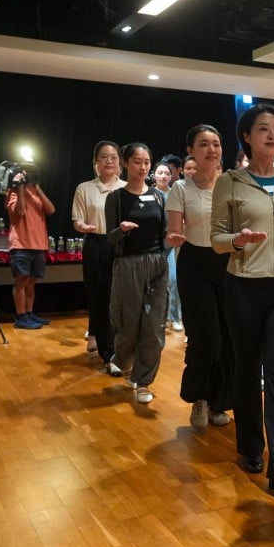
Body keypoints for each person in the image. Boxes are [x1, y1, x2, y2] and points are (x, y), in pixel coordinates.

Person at [211, 103, 274, 503]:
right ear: (246, 137)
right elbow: (216, 239)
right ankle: (250, 445)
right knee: (247, 369)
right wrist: (238, 240)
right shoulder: (229, 182)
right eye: (262, 128)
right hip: (244, 286)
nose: (272, 134)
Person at [166, 124, 233, 430]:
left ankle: (220, 400)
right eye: (203, 144)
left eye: (216, 144)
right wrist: (174, 237)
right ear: (190, 151)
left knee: (227, 337)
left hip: (229, 264)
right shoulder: (181, 188)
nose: (211, 150)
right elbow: (173, 232)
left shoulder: (232, 184)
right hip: (195, 263)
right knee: (205, 336)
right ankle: (199, 398)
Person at [105, 143, 168, 403]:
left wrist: (172, 240)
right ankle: (121, 359)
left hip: (157, 262)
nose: (143, 167)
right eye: (137, 162)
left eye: (146, 162)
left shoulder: (157, 196)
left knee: (154, 327)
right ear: (125, 164)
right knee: (128, 324)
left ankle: (144, 382)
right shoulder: (116, 198)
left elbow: (163, 231)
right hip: (128, 264)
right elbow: (110, 238)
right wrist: (122, 229)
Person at [73, 142, 126, 360]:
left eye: (113, 157)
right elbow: (77, 219)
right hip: (95, 243)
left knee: (116, 295)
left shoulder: (126, 187)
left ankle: (113, 343)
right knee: (96, 292)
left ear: (120, 162)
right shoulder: (84, 188)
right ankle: (97, 335)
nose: (109, 161)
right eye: (104, 157)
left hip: (121, 245)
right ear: (96, 162)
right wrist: (82, 227)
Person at [6, 164, 56, 329]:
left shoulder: (36, 192)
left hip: (38, 244)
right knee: (21, 280)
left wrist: (38, 189)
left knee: (32, 281)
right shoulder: (12, 193)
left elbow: (51, 210)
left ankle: (29, 313)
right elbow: (20, 211)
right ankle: (20, 317)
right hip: (21, 243)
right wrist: (20, 188)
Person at [152, 162, 183, 332]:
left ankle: (175, 316)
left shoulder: (175, 193)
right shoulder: (149, 193)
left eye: (166, 173)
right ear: (154, 175)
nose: (163, 176)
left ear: (171, 176)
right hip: (153, 243)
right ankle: (158, 318)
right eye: (160, 172)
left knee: (173, 280)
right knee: (156, 281)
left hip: (171, 242)